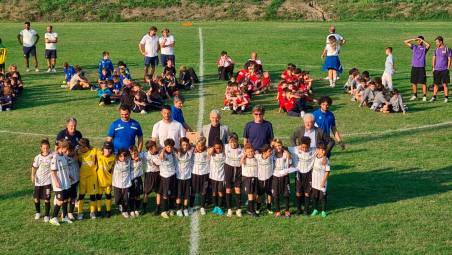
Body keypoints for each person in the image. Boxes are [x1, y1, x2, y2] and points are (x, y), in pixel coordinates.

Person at [289, 136, 316, 215]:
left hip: (308, 174)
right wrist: (287, 153)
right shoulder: (295, 149)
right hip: (299, 173)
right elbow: (283, 148)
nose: (304, 149)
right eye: (302, 147)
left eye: (306, 147)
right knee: (298, 192)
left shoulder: (314, 150)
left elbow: (323, 150)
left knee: (307, 193)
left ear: (309, 145)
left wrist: (324, 157)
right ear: (300, 145)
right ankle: (298, 209)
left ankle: (306, 210)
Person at [49, 139, 72, 226]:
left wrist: (69, 177)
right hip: (59, 184)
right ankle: (53, 218)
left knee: (65, 200)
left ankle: (65, 217)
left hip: (66, 182)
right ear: (62, 148)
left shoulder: (63, 156)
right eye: (66, 148)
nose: (67, 150)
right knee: (60, 201)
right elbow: (53, 172)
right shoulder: (55, 158)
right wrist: (56, 182)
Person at [31, 138, 53, 222]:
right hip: (38, 181)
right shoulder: (37, 157)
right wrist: (32, 175)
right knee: (36, 198)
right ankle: (38, 212)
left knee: (47, 199)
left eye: (47, 148)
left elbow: (60, 150)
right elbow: (34, 167)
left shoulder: (52, 155)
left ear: (49, 147)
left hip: (47, 181)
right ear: (41, 148)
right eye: (44, 148)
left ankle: (47, 215)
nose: (45, 149)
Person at [77, 138, 98, 220]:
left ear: (86, 147)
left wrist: (91, 147)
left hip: (92, 178)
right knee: (81, 196)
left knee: (92, 196)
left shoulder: (94, 151)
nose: (80, 149)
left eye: (81, 147)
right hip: (82, 178)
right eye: (79, 147)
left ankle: (92, 212)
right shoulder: (79, 154)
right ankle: (80, 212)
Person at [404, 36, 430, 101]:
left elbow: (428, 45)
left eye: (420, 40)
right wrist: (413, 39)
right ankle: (415, 95)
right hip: (414, 67)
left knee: (423, 82)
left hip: (421, 67)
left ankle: (424, 96)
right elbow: (405, 42)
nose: (418, 41)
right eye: (418, 40)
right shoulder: (414, 47)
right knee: (414, 82)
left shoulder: (424, 48)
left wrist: (422, 40)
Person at [224, 133, 243, 217]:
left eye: (235, 142)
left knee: (237, 189)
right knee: (228, 189)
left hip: (238, 169)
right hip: (228, 168)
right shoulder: (225, 146)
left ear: (237, 141)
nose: (233, 144)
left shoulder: (241, 148)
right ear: (229, 142)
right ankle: (229, 209)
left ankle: (239, 209)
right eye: (231, 142)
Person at [271, 139, 291, 218]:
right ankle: (278, 211)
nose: (278, 147)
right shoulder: (272, 154)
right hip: (275, 176)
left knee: (286, 194)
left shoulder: (286, 154)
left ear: (282, 145)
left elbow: (290, 164)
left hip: (285, 176)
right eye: (276, 146)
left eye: (279, 145)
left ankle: (287, 211)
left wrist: (289, 156)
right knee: (276, 194)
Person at [158, 138, 178, 219]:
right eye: (168, 147)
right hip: (165, 176)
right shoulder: (162, 153)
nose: (169, 149)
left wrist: (173, 150)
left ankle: (171, 208)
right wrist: (163, 150)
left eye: (171, 147)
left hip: (172, 175)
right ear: (165, 147)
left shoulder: (172, 153)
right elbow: (161, 157)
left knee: (172, 194)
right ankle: (163, 211)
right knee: (165, 194)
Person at [191, 136, 210, 215]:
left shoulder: (208, 151)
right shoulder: (192, 151)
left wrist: (208, 149)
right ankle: (191, 206)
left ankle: (202, 207)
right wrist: (193, 147)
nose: (199, 147)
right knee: (193, 191)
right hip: (195, 173)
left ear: (204, 145)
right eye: (197, 146)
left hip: (204, 174)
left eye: (201, 146)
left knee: (204, 191)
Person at [96, 141, 115, 218]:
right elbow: (91, 149)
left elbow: (114, 170)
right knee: (99, 197)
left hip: (108, 182)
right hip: (99, 181)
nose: (107, 150)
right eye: (105, 148)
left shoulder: (113, 158)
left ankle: (108, 211)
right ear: (103, 149)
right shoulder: (98, 154)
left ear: (111, 149)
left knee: (108, 196)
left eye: (109, 149)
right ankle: (99, 211)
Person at [310, 144, 330, 218]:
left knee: (323, 197)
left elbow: (327, 171)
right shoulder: (314, 158)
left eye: (323, 150)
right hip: (314, 180)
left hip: (322, 181)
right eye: (319, 149)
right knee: (315, 196)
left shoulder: (326, 160)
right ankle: (315, 209)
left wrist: (323, 181)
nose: (321, 151)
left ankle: (323, 211)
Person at [142, 140, 161, 215]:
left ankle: (158, 209)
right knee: (146, 192)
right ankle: (144, 209)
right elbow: (137, 155)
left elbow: (160, 163)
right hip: (149, 174)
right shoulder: (145, 154)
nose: (156, 147)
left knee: (158, 192)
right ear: (150, 149)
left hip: (157, 174)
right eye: (154, 147)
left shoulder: (159, 154)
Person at [112, 148, 133, 219]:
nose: (123, 158)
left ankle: (125, 211)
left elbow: (135, 154)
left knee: (126, 199)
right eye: (121, 156)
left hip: (126, 183)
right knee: (117, 199)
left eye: (124, 156)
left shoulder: (129, 161)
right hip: (117, 183)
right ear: (118, 156)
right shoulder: (114, 161)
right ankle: (120, 204)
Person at [175, 137, 193, 217]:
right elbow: (167, 148)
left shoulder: (191, 151)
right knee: (179, 194)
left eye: (186, 145)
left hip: (188, 177)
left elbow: (195, 146)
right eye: (183, 145)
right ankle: (179, 209)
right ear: (180, 145)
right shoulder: (176, 152)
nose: (185, 146)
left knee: (186, 195)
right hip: (179, 178)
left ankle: (185, 208)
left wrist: (192, 145)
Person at [430, 36, 451, 103]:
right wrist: (433, 67)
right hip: (437, 70)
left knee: (445, 84)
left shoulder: (447, 49)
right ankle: (434, 97)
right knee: (436, 84)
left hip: (444, 69)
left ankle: (446, 98)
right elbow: (434, 59)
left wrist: (448, 68)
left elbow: (449, 59)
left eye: (437, 42)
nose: (436, 43)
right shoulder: (436, 50)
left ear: (441, 42)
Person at [208, 139, 226, 216]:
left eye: (219, 148)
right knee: (214, 192)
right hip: (213, 176)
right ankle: (215, 206)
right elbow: (209, 152)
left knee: (220, 192)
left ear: (222, 147)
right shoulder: (212, 154)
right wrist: (212, 149)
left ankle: (220, 207)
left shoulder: (224, 154)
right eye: (216, 148)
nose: (218, 150)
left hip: (221, 177)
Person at [240, 143, 258, 217]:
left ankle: (248, 209)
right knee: (250, 194)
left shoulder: (256, 159)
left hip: (255, 177)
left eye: (251, 151)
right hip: (247, 178)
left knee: (254, 194)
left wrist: (256, 154)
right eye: (248, 152)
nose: (250, 153)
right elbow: (240, 163)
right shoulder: (244, 159)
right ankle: (252, 211)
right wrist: (244, 155)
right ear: (245, 152)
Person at [255, 144, 273, 215]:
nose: (271, 152)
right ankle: (258, 207)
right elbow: (249, 154)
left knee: (269, 193)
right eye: (269, 151)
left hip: (269, 178)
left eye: (271, 151)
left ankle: (269, 208)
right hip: (260, 179)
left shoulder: (271, 157)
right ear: (264, 152)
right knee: (259, 194)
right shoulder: (258, 157)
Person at [129, 146, 144, 217]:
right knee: (131, 196)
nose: (134, 155)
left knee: (138, 195)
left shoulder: (140, 158)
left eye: (135, 153)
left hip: (138, 179)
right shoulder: (128, 161)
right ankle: (132, 210)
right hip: (131, 180)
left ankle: (137, 209)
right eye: (132, 154)